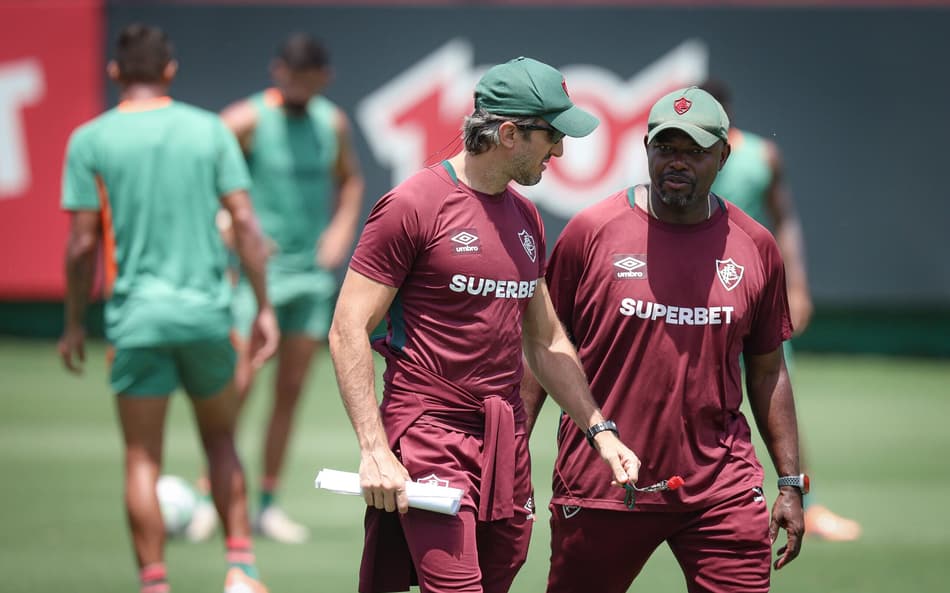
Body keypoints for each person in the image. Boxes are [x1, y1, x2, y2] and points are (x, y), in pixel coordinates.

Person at [327, 56, 641, 593]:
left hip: (506, 440)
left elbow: (544, 341)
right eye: (553, 136)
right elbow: (346, 328)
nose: (561, 151)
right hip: (429, 433)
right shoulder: (413, 204)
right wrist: (375, 449)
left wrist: (599, 428)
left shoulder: (527, 217)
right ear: (510, 132)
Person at [520, 87, 805, 593]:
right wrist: (512, 457)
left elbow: (767, 369)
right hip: (604, 482)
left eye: (694, 152)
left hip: (722, 486)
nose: (678, 163)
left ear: (723, 155)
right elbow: (541, 351)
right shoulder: (591, 232)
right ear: (647, 148)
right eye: (666, 148)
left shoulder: (756, 246)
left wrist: (789, 482)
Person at [57, 24, 278, 593]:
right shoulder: (209, 131)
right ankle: (241, 570)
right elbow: (248, 226)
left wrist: (75, 321)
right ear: (170, 71)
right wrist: (263, 308)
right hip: (206, 316)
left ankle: (155, 583)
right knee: (222, 441)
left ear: (115, 73)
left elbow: (82, 246)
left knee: (140, 460)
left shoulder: (90, 139)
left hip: (137, 322)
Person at [188, 33, 365, 544]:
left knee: (289, 392)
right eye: (290, 77)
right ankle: (210, 496)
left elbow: (350, 181)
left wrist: (338, 231)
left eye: (307, 80)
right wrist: (223, 224)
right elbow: (198, 171)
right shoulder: (244, 120)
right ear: (277, 72)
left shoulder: (331, 123)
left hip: (309, 277)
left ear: (322, 79)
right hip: (253, 279)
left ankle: (266, 502)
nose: (297, 86)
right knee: (237, 386)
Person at [701, 78, 861, 542]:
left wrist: (798, 284)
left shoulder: (761, 157)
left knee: (775, 393)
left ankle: (802, 499)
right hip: (694, 301)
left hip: (750, 296)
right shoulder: (683, 154)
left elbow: (784, 216)